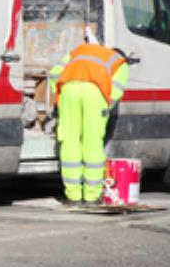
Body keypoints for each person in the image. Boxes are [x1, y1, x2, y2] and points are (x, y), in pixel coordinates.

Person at [49, 39, 129, 205]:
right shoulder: (120, 63)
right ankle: (92, 195)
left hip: (68, 90)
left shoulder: (80, 50)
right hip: (95, 92)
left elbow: (55, 73)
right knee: (92, 142)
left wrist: (59, 97)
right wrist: (106, 107)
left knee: (70, 142)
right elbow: (116, 91)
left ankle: (73, 196)